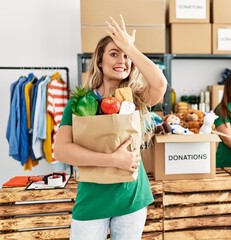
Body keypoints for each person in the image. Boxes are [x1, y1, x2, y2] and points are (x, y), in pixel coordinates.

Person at [54, 15, 167, 240]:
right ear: (99, 61)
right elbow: (61, 150)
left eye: (126, 57)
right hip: (92, 199)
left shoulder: (135, 99)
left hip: (131, 198)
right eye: (114, 54)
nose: (121, 60)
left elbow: (159, 84)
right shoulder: (80, 103)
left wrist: (129, 47)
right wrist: (113, 160)